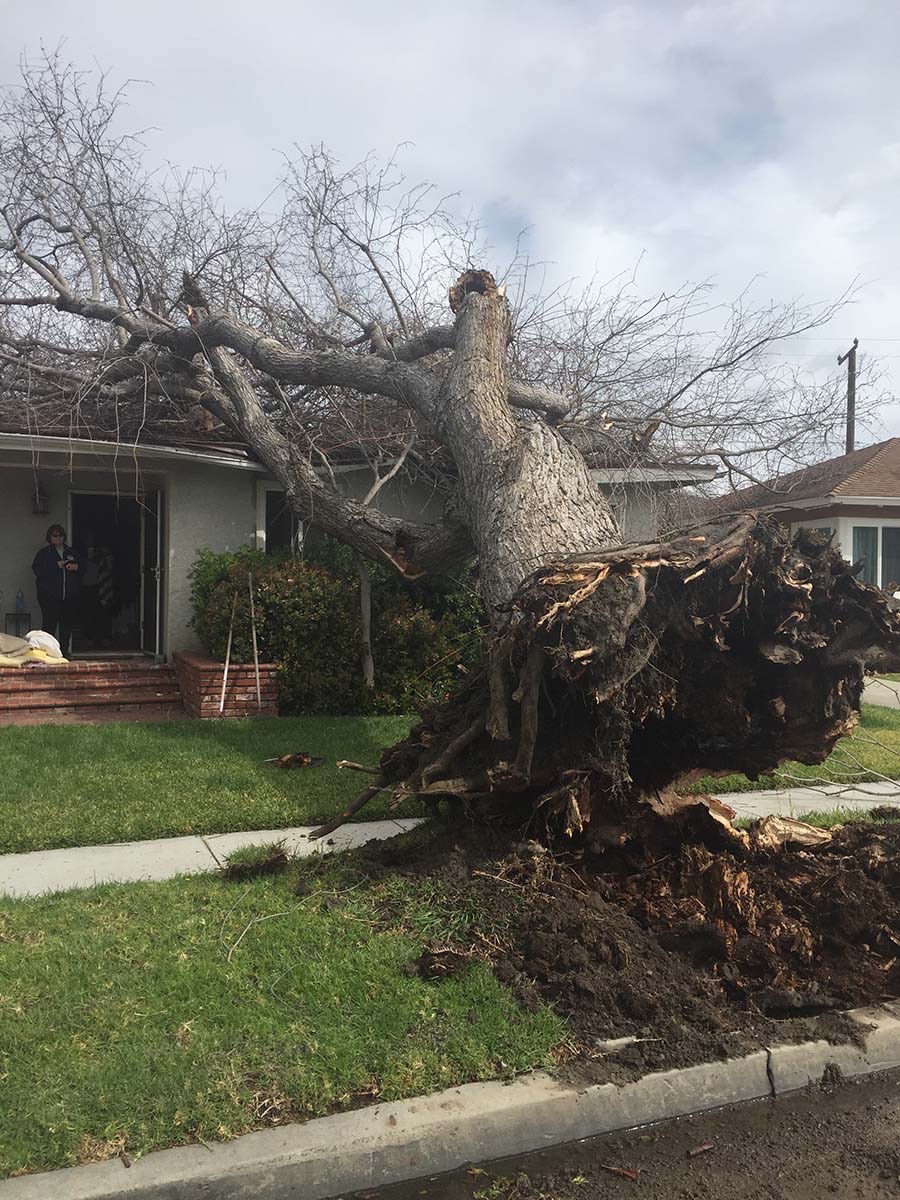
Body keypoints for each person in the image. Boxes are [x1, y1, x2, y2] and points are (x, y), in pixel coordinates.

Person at [31, 525, 83, 655]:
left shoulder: (71, 552)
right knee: (49, 626)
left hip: (69, 597)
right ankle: (48, 653)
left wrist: (76, 567)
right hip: (49, 598)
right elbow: (37, 570)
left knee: (66, 626)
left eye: (61, 535)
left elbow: (83, 567)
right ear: (49, 537)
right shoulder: (44, 553)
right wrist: (55, 566)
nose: (58, 538)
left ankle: (65, 652)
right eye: (55, 535)